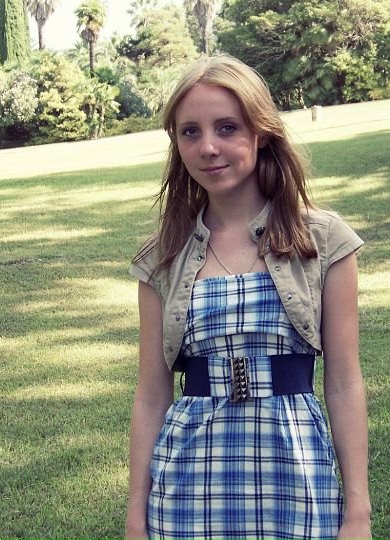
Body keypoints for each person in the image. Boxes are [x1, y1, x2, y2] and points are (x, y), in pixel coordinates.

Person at [125, 55, 371, 540]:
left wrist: (358, 512)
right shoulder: (162, 258)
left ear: (260, 132)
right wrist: (136, 513)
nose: (208, 147)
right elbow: (152, 395)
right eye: (190, 132)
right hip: (188, 483)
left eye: (227, 127)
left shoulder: (323, 241)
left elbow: (344, 383)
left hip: (295, 474)